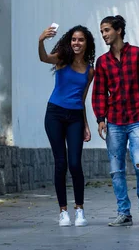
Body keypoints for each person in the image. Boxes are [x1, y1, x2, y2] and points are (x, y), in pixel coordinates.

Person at [92, 15, 139, 227]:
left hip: (137, 118)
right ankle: (124, 212)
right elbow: (99, 92)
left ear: (118, 30)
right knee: (116, 169)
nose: (104, 35)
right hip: (114, 121)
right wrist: (100, 118)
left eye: (106, 30)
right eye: (102, 32)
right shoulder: (102, 62)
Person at [38, 25, 96, 227]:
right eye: (73, 39)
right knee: (60, 163)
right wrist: (41, 40)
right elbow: (44, 58)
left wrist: (86, 125)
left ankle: (79, 209)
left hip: (75, 117)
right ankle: (63, 211)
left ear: (87, 43)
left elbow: (82, 98)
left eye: (80, 40)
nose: (76, 43)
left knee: (75, 163)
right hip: (54, 114)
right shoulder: (62, 59)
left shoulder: (90, 71)